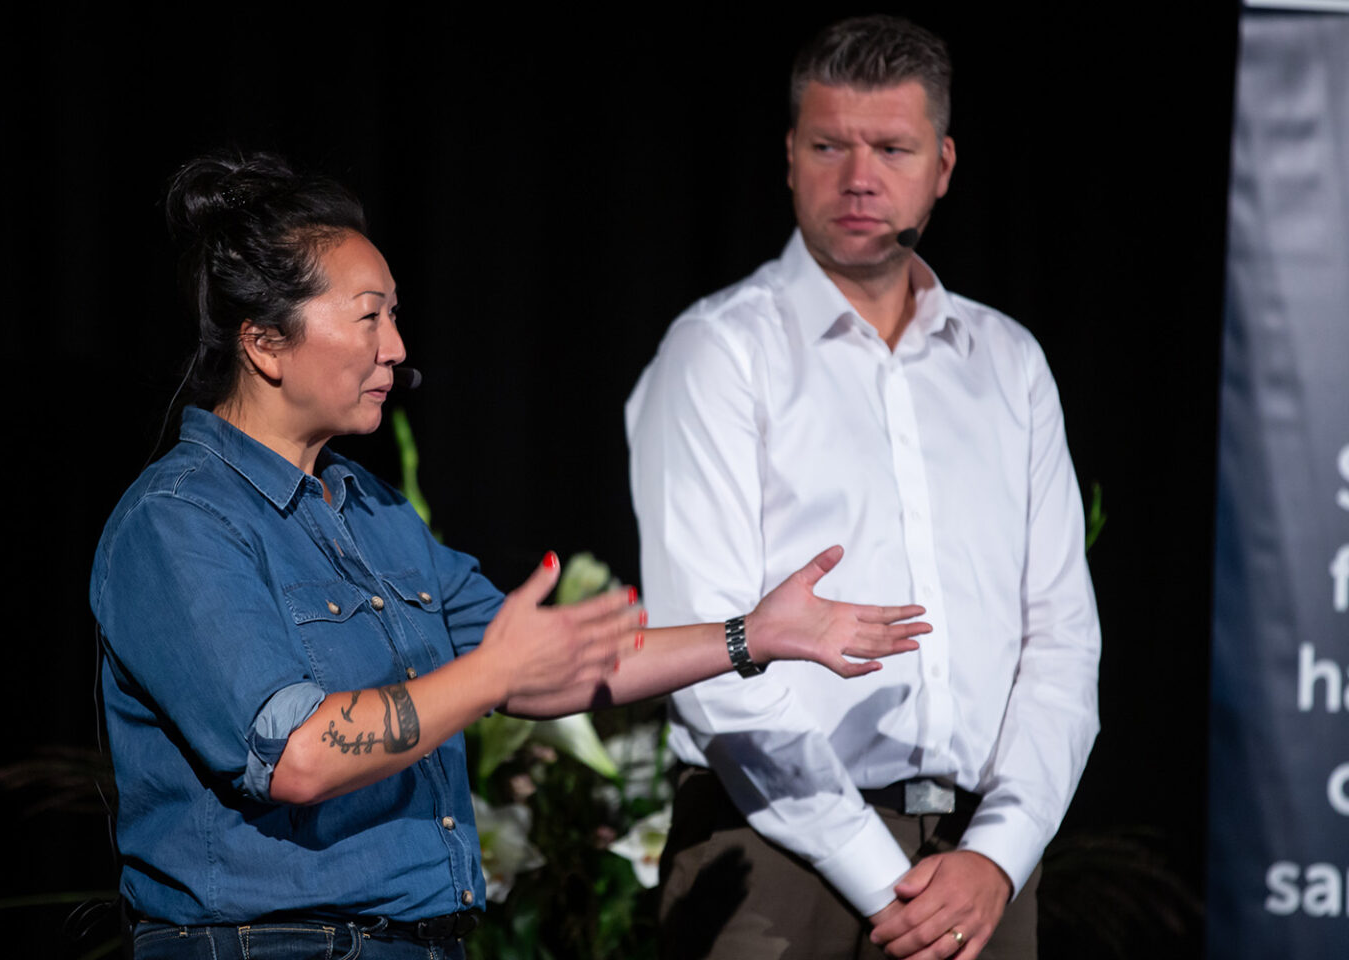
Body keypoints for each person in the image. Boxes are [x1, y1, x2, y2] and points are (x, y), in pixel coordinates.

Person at [90, 149, 932, 960]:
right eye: (369, 316)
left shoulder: (372, 511)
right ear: (265, 342)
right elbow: (299, 756)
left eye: (395, 315)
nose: (395, 348)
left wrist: (754, 635)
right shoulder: (180, 523)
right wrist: (495, 673)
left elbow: (548, 668)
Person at [626, 15, 1101, 960]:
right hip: (773, 858)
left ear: (944, 164)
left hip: (978, 867)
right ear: (790, 158)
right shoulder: (721, 351)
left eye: (892, 147)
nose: (858, 177)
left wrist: (998, 858)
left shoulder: (1007, 363)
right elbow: (711, 655)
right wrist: (884, 881)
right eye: (828, 145)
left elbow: (1061, 642)